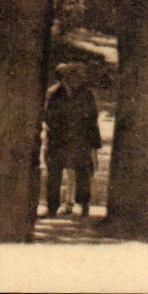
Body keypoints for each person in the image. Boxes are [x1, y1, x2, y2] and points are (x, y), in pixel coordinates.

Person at [42, 63, 102, 217]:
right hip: (58, 141)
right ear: (61, 79)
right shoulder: (53, 94)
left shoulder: (86, 94)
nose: (72, 79)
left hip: (80, 140)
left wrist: (93, 142)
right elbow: (48, 116)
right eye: (67, 77)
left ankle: (84, 206)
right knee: (54, 174)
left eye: (74, 76)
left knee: (83, 173)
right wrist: (59, 131)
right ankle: (52, 208)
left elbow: (92, 117)